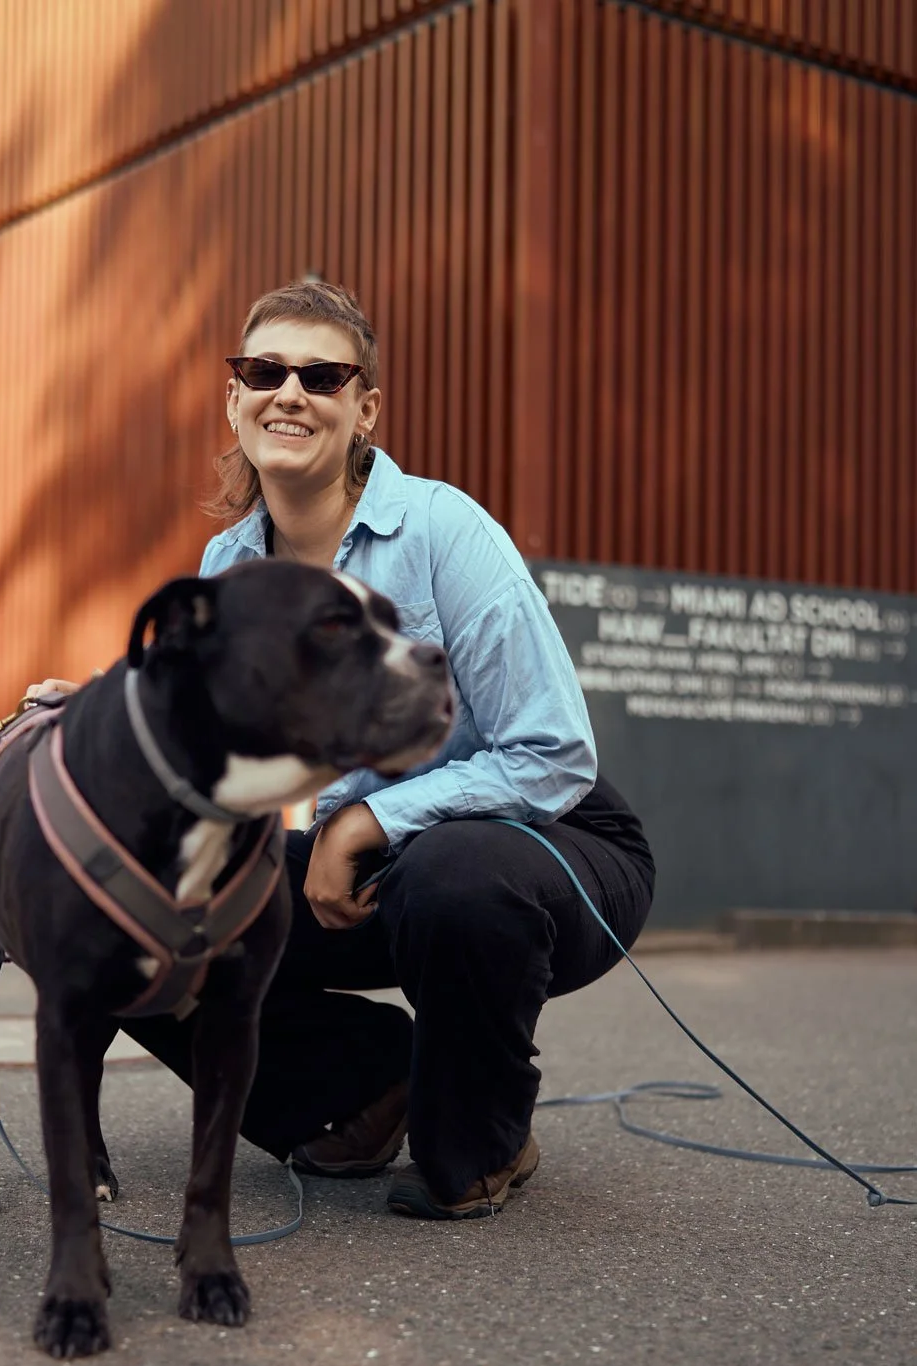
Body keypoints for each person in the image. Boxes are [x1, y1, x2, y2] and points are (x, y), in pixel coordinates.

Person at [35, 281, 655, 1220]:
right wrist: (93, 711)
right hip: (367, 860)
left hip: (545, 842)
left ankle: (481, 1133)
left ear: (364, 407)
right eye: (264, 370)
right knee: (137, 899)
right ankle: (368, 1089)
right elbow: (199, 737)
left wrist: (372, 816)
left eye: (321, 375)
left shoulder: (445, 529)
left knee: (452, 875)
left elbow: (555, 752)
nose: (290, 392)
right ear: (234, 398)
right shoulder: (231, 568)